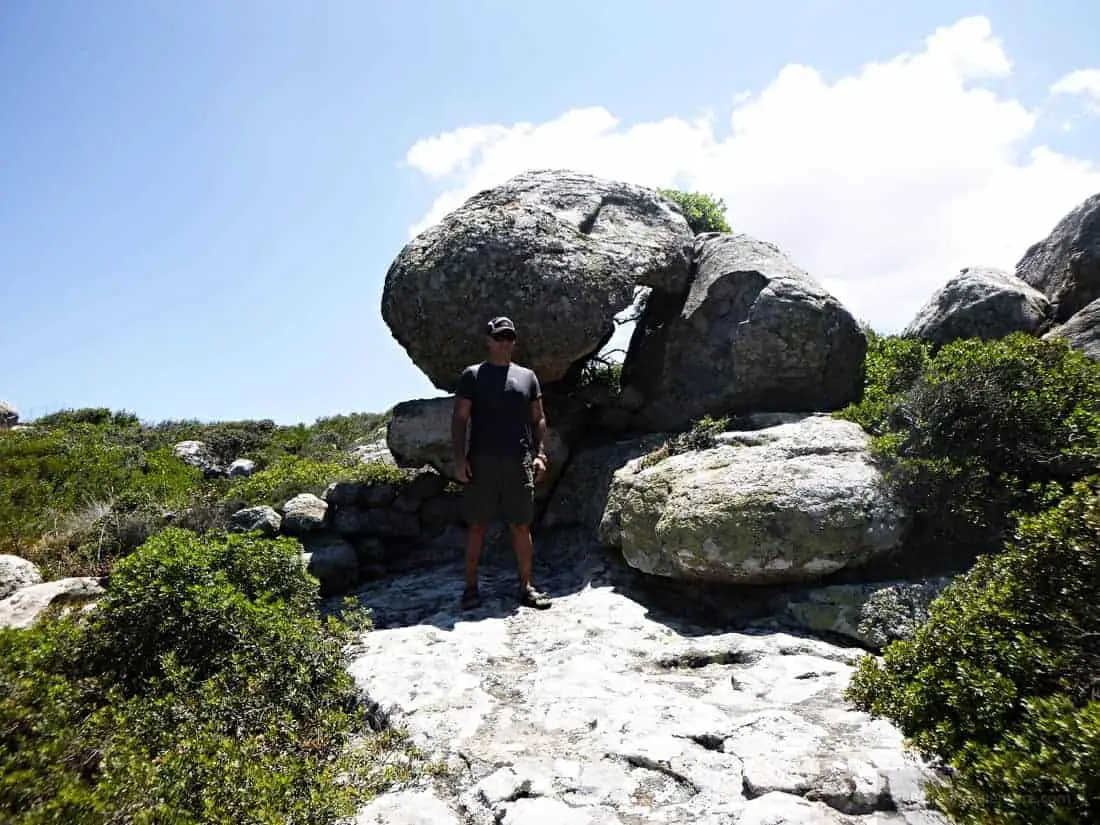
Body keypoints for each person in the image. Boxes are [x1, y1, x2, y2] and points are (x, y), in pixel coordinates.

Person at [451, 316, 553, 610]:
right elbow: (460, 417)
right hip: (482, 461)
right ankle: (470, 589)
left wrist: (541, 453)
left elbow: (539, 418)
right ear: (488, 340)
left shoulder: (527, 377)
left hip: (518, 459)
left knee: (521, 525)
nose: (504, 342)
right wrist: (459, 460)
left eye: (509, 337)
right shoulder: (472, 375)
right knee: (477, 526)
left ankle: (527, 587)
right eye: (499, 337)